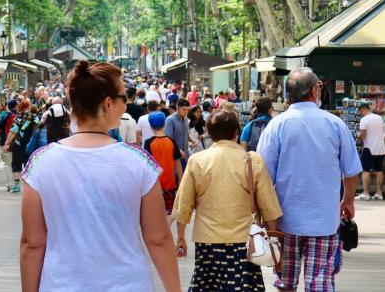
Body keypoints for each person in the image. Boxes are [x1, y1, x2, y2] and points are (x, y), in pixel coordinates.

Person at [19, 60, 182, 292]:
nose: (126, 105)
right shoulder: (139, 163)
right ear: (108, 103)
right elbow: (158, 239)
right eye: (124, 98)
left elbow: (32, 243)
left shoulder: (40, 163)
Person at [257, 67, 362, 292]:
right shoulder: (335, 124)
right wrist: (348, 201)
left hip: (285, 221)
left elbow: (263, 176)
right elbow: (351, 170)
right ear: (314, 91)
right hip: (324, 221)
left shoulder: (277, 125)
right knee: (320, 284)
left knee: (286, 283)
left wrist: (266, 216)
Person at [174, 108, 283, 292]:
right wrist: (273, 238)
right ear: (236, 131)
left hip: (207, 242)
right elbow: (269, 206)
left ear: (209, 132)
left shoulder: (197, 160)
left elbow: (183, 204)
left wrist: (181, 237)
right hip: (244, 241)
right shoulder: (252, 160)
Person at [143, 111, 182, 216]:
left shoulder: (148, 143)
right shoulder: (171, 141)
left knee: (156, 213)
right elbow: (178, 163)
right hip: (170, 183)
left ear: (151, 126)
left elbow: (147, 165)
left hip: (155, 184)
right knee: (170, 213)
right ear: (164, 124)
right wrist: (181, 180)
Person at [4, 100, 38, 195]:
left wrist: (7, 143)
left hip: (18, 145)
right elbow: (38, 130)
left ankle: (16, 186)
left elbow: (13, 132)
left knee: (16, 164)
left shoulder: (18, 118)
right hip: (31, 145)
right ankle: (30, 187)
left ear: (20, 108)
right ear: (29, 107)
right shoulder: (35, 117)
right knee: (30, 165)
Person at [356, 101, 385, 200]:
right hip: (380, 148)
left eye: (360, 111)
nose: (360, 113)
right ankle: (379, 193)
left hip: (369, 148)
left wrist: (358, 136)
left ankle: (366, 193)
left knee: (365, 171)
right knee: (379, 171)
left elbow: (363, 135)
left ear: (363, 110)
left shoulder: (364, 120)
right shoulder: (379, 118)